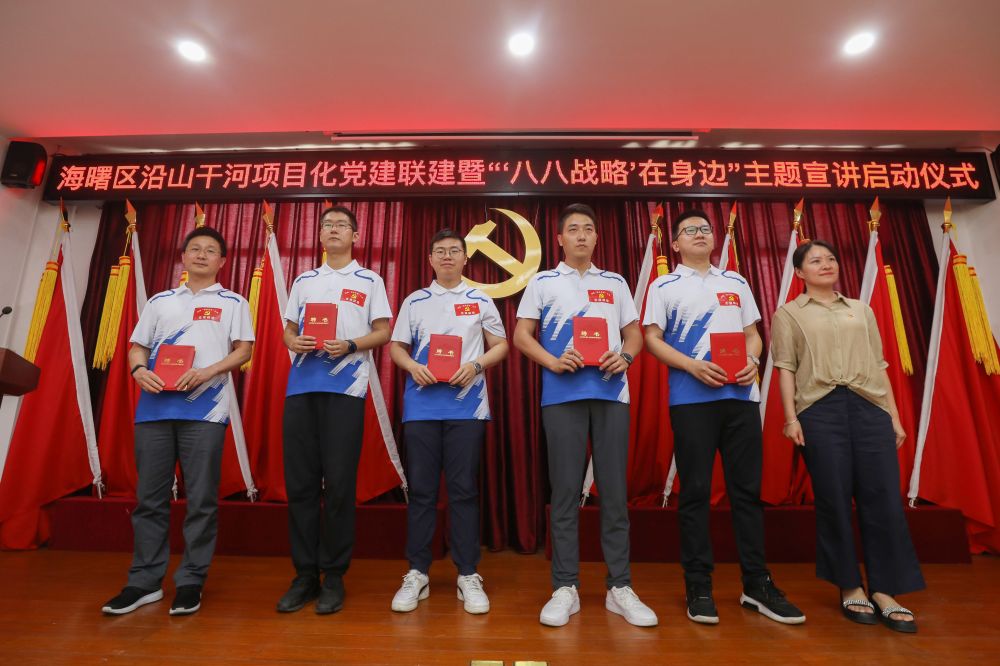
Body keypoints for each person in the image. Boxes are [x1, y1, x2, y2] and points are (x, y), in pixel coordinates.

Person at [643, 209, 804, 625]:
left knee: (746, 492)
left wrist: (752, 360)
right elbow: (652, 338)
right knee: (696, 491)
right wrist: (691, 366)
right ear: (674, 243)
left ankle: (756, 584)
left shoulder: (736, 281)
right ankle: (698, 585)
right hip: (691, 400)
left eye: (705, 229)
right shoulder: (664, 285)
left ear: (715, 238)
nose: (699, 234)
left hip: (741, 398)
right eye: (689, 230)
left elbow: (753, 335)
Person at [513, 203, 657, 628]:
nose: (581, 235)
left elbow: (634, 335)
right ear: (559, 239)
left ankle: (620, 587)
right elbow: (522, 335)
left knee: (613, 492)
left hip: (612, 394)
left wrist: (625, 357)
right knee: (564, 492)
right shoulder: (543, 282)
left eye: (588, 229)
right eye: (573, 229)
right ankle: (565, 586)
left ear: (596, 237)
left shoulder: (614, 282)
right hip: (562, 396)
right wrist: (553, 361)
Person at [772, 239, 924, 633]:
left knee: (883, 498)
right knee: (834, 498)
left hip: (869, 406)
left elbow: (879, 364)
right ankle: (850, 585)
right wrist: (791, 418)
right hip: (819, 410)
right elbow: (786, 367)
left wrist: (892, 416)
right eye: (815, 261)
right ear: (799, 272)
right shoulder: (788, 313)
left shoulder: (861, 309)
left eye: (831, 259)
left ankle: (885, 590)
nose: (826, 264)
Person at [102, 226, 254, 616]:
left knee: (201, 499)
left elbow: (244, 350)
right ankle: (144, 582)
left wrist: (208, 371)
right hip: (154, 409)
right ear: (183, 257)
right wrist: (138, 371)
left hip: (206, 411)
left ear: (222, 261)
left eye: (210, 250)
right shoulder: (160, 301)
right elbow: (138, 347)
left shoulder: (233, 302)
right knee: (149, 499)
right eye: (194, 248)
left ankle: (190, 582)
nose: (201, 254)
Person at [275, 205, 392, 615]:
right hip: (301, 388)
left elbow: (383, 331)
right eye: (327, 225)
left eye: (342, 225)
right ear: (320, 234)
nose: (334, 230)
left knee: (340, 485)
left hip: (346, 389)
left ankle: (335, 575)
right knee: (301, 484)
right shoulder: (304, 280)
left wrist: (351, 345)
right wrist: (293, 342)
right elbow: (289, 330)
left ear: (355, 236)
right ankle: (304, 574)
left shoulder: (369, 280)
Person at [387, 228, 509, 615]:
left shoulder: (480, 299)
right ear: (430, 259)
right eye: (439, 251)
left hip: (467, 408)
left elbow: (501, 345)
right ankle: (417, 572)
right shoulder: (415, 301)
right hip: (421, 407)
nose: (447, 256)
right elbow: (396, 347)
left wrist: (476, 365)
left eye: (454, 251)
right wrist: (413, 366)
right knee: (422, 491)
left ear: (465, 258)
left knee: (463, 491)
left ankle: (468, 574)